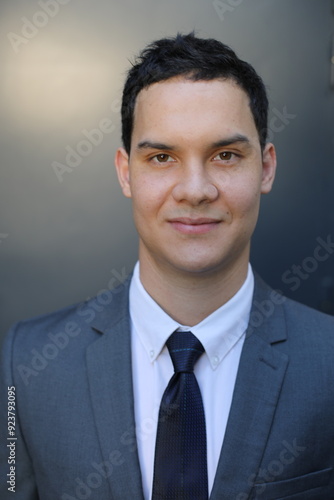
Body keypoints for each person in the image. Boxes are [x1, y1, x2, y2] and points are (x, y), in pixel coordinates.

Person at [1, 32, 334, 500]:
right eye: (162, 157)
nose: (195, 190)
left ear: (265, 168)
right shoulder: (24, 366)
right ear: (125, 172)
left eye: (225, 155)